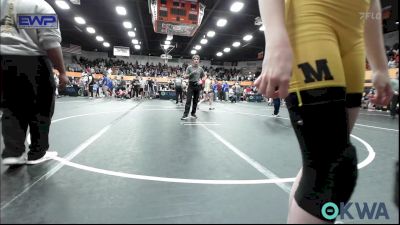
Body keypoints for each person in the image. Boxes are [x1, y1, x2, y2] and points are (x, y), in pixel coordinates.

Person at [255, 0, 393, 223]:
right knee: (331, 169)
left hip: (354, 35)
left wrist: (379, 66)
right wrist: (275, 41)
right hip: (310, 20)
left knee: (322, 165)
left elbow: (374, 3)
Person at [1, 0, 69, 165]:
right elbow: (51, 42)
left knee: (11, 107)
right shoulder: (40, 6)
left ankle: (13, 152)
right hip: (33, 60)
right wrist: (62, 71)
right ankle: (38, 152)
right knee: (41, 108)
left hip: (3, 62)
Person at [181, 54, 205, 120]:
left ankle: (193, 113)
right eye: (195, 59)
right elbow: (185, 76)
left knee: (195, 101)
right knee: (188, 100)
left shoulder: (200, 69)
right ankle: (185, 115)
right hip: (191, 85)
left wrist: (202, 80)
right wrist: (192, 73)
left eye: (197, 59)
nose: (196, 60)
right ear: (192, 60)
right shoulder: (189, 67)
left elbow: (204, 76)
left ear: (199, 60)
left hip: (198, 85)